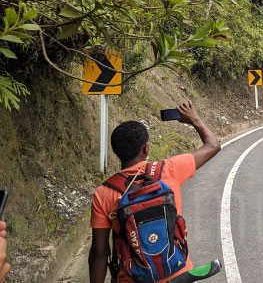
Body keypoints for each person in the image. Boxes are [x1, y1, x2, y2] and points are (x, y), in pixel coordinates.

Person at [88, 101, 221, 283]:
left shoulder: (103, 193)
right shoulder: (169, 169)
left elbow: (99, 254)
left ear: (116, 151)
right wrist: (194, 119)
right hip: (178, 274)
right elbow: (213, 145)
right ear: (146, 148)